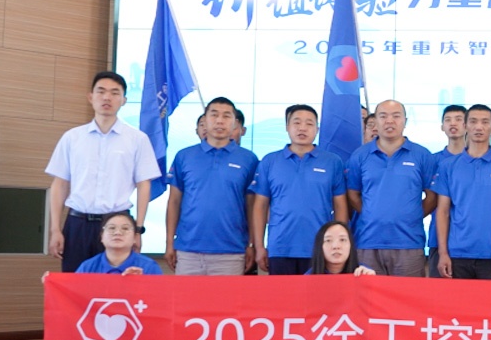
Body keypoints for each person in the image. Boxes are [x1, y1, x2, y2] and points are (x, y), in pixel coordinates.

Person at [45, 71, 160, 274]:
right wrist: (55, 229)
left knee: (117, 284)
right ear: (91, 97)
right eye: (101, 91)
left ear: (124, 100)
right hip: (78, 224)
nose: (107, 97)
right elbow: (59, 184)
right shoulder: (72, 138)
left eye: (115, 93)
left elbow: (144, 185)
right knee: (75, 283)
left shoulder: (137, 139)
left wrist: (138, 229)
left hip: (117, 225)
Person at [164, 97, 259, 275]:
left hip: (231, 251)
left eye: (226, 116)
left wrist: (252, 245)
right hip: (188, 250)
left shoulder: (249, 159)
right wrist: (169, 243)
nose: (220, 121)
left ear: (235, 123)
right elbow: (174, 202)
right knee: (186, 295)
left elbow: (252, 207)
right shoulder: (184, 156)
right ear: (205, 120)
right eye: (214, 115)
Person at [251, 104, 348, 276]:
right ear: (287, 127)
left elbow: (340, 206)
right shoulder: (270, 161)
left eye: (309, 123)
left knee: (318, 294)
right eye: (296, 122)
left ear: (317, 129)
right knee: (282, 294)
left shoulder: (332, 162)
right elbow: (260, 206)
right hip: (280, 247)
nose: (302, 128)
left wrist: (340, 244)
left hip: (320, 248)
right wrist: (259, 246)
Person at [346, 100, 436, 276]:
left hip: (409, 242)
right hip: (368, 242)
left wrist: (412, 215)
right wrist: (372, 213)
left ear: (405, 121)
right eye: (383, 116)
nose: (389, 121)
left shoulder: (422, 155)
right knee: (369, 293)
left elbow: (432, 197)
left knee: (407, 293)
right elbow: (353, 194)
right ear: (375, 122)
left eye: (396, 116)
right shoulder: (360, 156)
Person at [434, 104, 491, 280]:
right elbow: (443, 211)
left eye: (485, 122)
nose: (479, 127)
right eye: (473, 121)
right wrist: (443, 253)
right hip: (457, 253)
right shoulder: (448, 165)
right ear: (465, 126)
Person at [426, 104, 468, 273]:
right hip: (438, 239)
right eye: (448, 120)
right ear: (442, 126)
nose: (453, 124)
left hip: (469, 241)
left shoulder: (477, 160)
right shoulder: (432, 160)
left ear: (467, 125)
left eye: (458, 119)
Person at [75, 212, 163, 275]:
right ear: (102, 237)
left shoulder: (149, 267)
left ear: (135, 238)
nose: (117, 233)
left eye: (125, 228)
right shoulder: (87, 267)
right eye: (112, 228)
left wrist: (141, 284)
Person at [307, 221, 376, 276]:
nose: (336, 246)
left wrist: (371, 280)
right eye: (328, 240)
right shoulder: (309, 277)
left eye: (342, 240)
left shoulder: (363, 272)